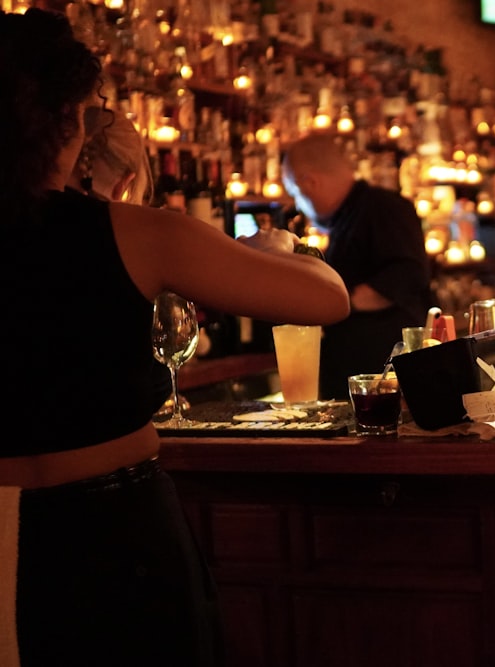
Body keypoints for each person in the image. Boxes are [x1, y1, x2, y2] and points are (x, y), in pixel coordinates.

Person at [0, 9, 350, 667]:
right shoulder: (138, 232)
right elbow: (325, 298)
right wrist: (275, 249)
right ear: (71, 119)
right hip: (112, 532)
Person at [281, 130, 433, 399]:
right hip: (367, 384)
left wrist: (340, 303)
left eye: (295, 194)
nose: (299, 206)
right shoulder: (350, 217)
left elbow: (408, 274)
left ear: (309, 182)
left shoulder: (382, 208)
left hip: (382, 386)